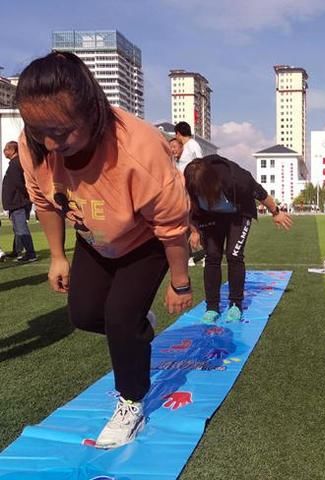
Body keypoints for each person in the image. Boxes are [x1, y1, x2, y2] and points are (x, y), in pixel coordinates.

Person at [16, 52, 192, 449]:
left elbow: (172, 226)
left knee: (118, 319)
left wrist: (179, 283)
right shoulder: (35, 145)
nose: (49, 144)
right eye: (37, 129)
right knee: (84, 315)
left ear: (93, 110)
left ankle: (131, 401)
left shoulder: (140, 148)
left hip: (144, 241)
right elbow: (44, 202)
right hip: (92, 238)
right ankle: (135, 324)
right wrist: (58, 256)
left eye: (61, 133)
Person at [183, 155, 293, 323]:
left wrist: (276, 212)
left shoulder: (237, 179)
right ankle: (212, 307)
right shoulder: (191, 186)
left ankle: (235, 304)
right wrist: (194, 231)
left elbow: (261, 194)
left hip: (238, 214)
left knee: (234, 255)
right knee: (212, 256)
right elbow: (190, 208)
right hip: (210, 217)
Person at [2, 141, 37, 262]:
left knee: (21, 228)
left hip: (18, 203)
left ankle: (31, 253)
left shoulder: (16, 164)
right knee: (17, 229)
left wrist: (27, 197)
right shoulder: (15, 163)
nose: (4, 151)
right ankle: (17, 251)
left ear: (13, 150)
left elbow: (21, 184)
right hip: (15, 203)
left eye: (7, 149)